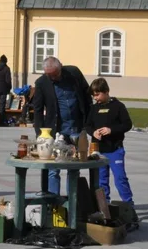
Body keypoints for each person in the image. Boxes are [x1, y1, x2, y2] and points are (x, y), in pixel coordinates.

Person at [32, 56, 91, 195]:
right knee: (53, 169)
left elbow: (86, 94)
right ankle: (53, 201)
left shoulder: (74, 73)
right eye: (49, 75)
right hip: (55, 130)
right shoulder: (41, 82)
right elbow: (38, 109)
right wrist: (40, 134)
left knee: (74, 167)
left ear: (61, 67)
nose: (53, 78)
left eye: (55, 74)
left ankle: (72, 201)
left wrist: (89, 121)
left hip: (76, 127)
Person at [87, 77, 137, 231]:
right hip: (99, 151)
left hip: (115, 150)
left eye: (97, 94)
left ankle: (129, 208)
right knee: (102, 181)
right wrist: (93, 132)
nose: (95, 98)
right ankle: (105, 209)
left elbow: (127, 124)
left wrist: (111, 130)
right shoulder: (94, 108)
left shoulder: (118, 106)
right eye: (93, 95)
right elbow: (88, 125)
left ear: (106, 91)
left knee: (120, 179)